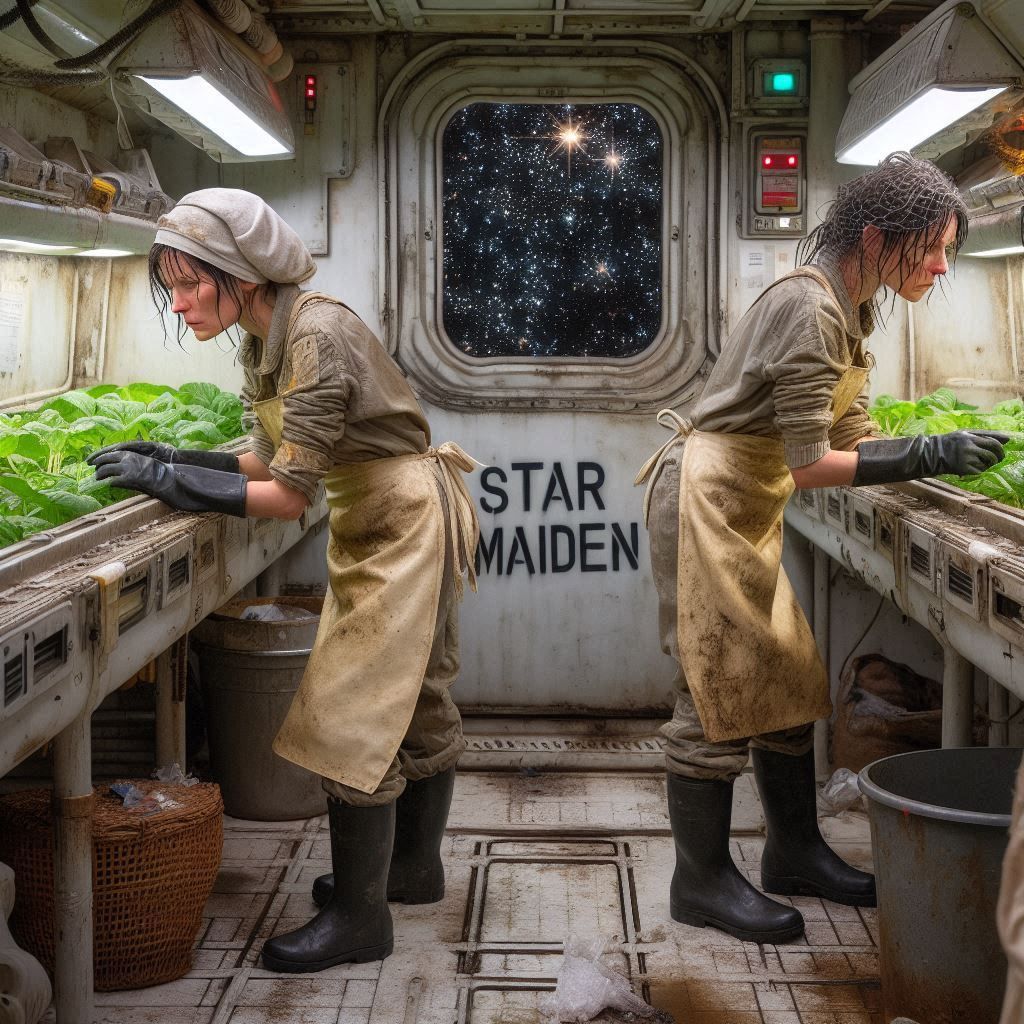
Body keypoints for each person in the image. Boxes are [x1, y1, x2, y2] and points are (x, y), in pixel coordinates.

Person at [88, 189, 480, 973]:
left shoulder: (317, 336)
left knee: (352, 709)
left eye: (191, 284)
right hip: (384, 511)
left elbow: (287, 497)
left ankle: (362, 920)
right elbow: (270, 460)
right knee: (417, 696)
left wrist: (173, 484)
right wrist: (179, 458)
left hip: (400, 519)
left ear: (241, 275)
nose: (180, 303)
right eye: (172, 287)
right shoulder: (266, 336)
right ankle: (410, 870)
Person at [635, 152, 1008, 943]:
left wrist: (930, 453)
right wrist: (927, 454)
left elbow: (849, 435)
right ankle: (698, 882)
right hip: (708, 500)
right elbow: (810, 466)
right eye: (933, 249)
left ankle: (794, 853)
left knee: (788, 677)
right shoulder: (810, 310)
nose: (942, 267)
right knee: (715, 688)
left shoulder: (853, 307)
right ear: (876, 238)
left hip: (746, 499)